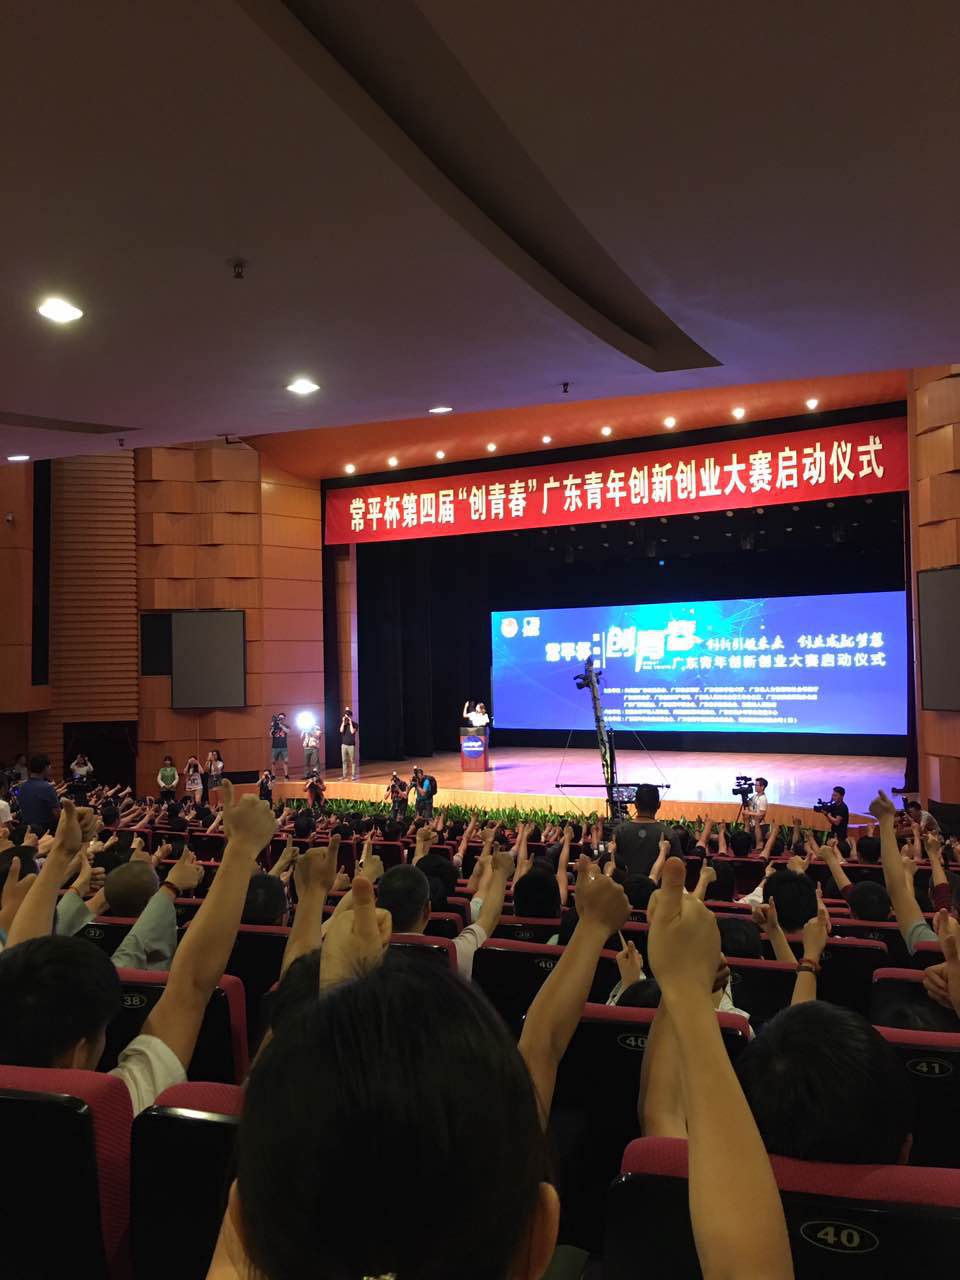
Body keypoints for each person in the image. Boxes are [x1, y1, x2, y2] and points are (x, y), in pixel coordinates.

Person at [0, 785, 278, 1115]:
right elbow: (189, 986)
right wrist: (242, 847)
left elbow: (17, 971)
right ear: (78, 1054)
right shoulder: (116, 1107)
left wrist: (61, 855)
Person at [375, 846, 512, 978]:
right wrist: (500, 872)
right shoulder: (453, 954)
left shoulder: (363, 955)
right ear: (427, 911)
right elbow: (489, 917)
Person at [613, 783, 680, 878]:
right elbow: (678, 869)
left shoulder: (618, 831)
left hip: (623, 887)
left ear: (635, 804)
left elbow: (609, 865)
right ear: (659, 805)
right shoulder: (669, 834)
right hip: (656, 887)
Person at [16, 755, 60, 833]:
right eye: (49, 767)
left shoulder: (22, 787)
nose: (50, 769)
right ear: (45, 768)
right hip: (45, 830)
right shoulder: (47, 787)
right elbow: (57, 814)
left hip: (26, 830)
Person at [339, 708, 358, 780]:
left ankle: (353, 775)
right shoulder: (344, 724)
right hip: (344, 745)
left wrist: (350, 723)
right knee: (344, 761)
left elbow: (352, 731)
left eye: (348, 715)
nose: (347, 717)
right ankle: (344, 776)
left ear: (351, 716)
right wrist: (343, 722)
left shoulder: (355, 724)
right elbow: (341, 730)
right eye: (346, 715)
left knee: (352, 761)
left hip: (351, 745)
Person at [270, 714, 289, 780]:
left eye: (282, 718)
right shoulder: (274, 725)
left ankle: (286, 775)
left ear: (284, 719)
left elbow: (287, 731)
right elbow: (270, 735)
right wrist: (272, 727)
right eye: (280, 717)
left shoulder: (286, 726)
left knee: (285, 761)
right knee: (273, 761)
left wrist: (281, 725)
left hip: (284, 746)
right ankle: (273, 775)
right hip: (275, 746)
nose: (281, 719)